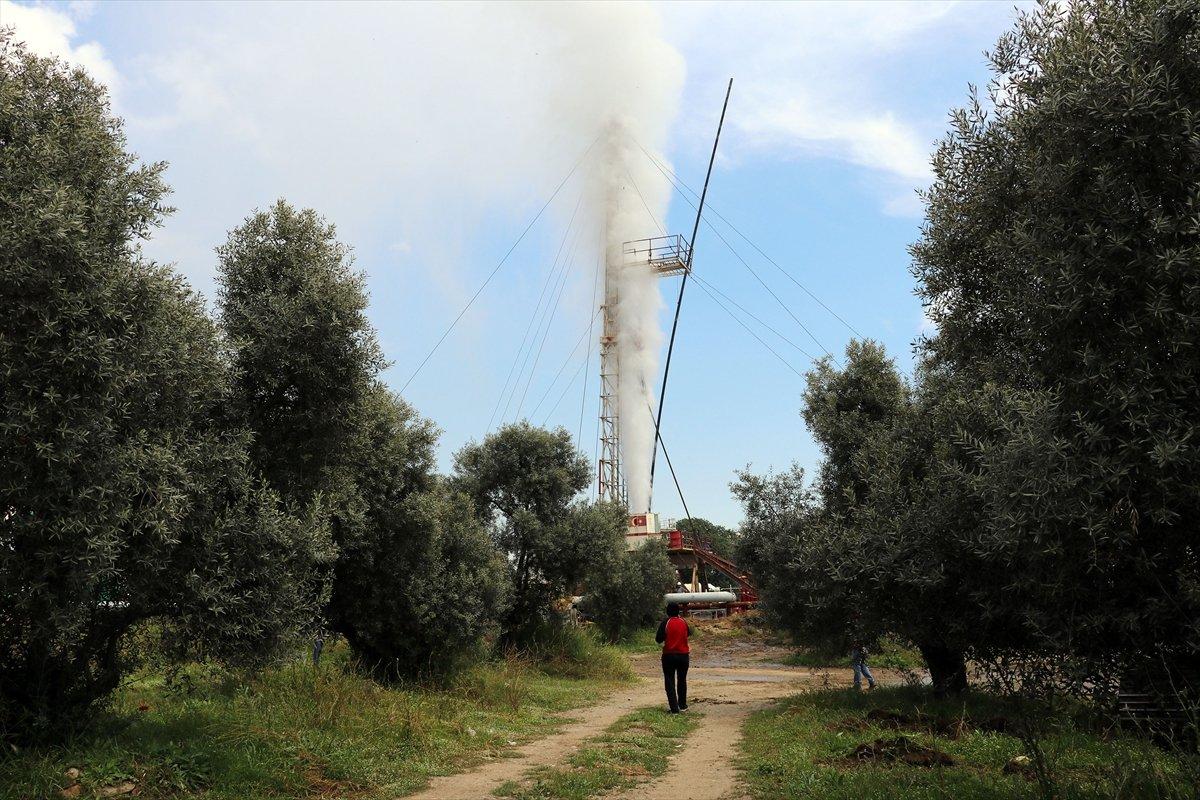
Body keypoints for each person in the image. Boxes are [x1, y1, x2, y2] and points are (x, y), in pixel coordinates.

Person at [655, 602, 692, 713]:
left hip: (669, 655)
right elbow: (688, 634)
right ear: (678, 611)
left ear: (667, 611)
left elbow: (658, 639)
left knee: (669, 681)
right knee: (682, 680)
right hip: (684, 655)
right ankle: (683, 705)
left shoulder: (666, 622)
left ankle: (674, 709)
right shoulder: (683, 621)